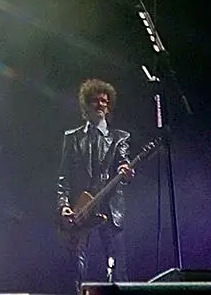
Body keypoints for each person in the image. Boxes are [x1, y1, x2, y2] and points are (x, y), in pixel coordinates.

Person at [57, 78, 135, 292]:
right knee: (78, 266)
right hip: (81, 209)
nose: (101, 104)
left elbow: (124, 161)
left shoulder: (120, 138)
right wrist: (63, 205)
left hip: (110, 209)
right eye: (95, 100)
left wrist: (126, 172)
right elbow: (63, 177)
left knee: (117, 267)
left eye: (105, 101)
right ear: (86, 105)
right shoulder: (72, 138)